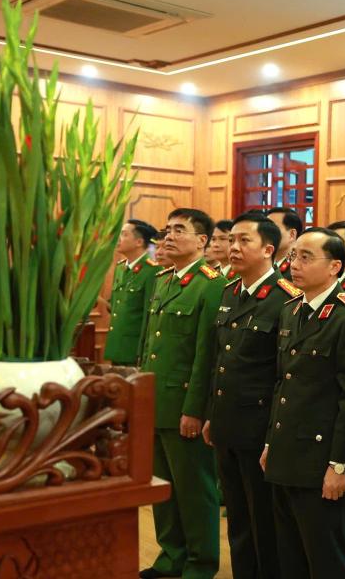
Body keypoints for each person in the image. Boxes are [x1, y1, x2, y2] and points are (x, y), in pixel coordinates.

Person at [261, 227, 345, 579]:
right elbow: (283, 383)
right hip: (286, 453)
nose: (294, 264)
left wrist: (340, 465)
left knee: (325, 558)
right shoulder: (291, 309)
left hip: (321, 460)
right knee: (290, 557)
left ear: (334, 267)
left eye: (306, 257)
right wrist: (270, 441)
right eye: (293, 256)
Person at [201, 212, 291, 579]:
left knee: (264, 520)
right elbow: (219, 362)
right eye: (231, 240)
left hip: (260, 428)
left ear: (268, 249)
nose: (233, 248)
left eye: (244, 241)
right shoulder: (230, 292)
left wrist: (273, 436)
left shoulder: (286, 299)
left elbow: (284, 375)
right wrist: (212, 414)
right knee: (237, 519)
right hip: (227, 423)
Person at [139, 208, 226, 579]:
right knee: (162, 487)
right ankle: (170, 557)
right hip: (156, 400)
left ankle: (200, 563)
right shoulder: (163, 279)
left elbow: (207, 355)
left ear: (202, 240)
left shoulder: (211, 284)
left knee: (193, 490)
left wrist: (195, 409)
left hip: (184, 405)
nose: (169, 236)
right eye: (167, 230)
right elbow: (148, 346)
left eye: (179, 230)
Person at [103, 219, 160, 366]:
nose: (119, 239)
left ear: (139, 242)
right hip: (117, 346)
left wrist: (142, 352)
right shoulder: (121, 267)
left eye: (124, 234)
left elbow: (149, 315)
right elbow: (116, 306)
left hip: (134, 350)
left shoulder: (152, 270)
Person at [265, 207, 303, 274]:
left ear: (292, 234)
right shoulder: (264, 264)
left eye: (272, 229)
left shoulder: (300, 267)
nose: (266, 234)